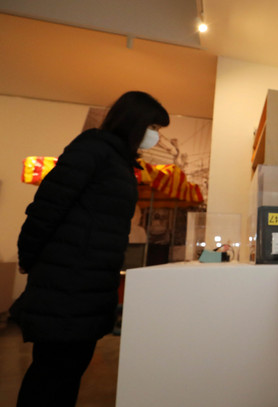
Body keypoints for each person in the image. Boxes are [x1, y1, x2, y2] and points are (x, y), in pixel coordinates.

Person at [10, 91, 169, 407]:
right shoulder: (93, 149)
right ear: (134, 122)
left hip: (90, 283)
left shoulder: (120, 162)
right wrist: (28, 257)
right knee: (51, 374)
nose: (156, 136)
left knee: (68, 373)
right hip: (67, 282)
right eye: (152, 126)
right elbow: (47, 207)